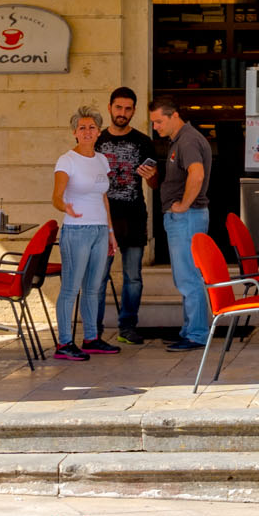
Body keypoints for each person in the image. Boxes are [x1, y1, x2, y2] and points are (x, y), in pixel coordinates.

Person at [51, 105, 118, 361]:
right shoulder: (67, 160)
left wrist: (110, 231)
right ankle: (64, 343)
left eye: (92, 127)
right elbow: (56, 196)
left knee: (93, 288)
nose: (87, 131)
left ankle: (91, 338)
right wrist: (64, 207)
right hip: (76, 230)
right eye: (82, 128)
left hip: (100, 229)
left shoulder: (101, 160)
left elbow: (104, 197)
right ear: (75, 133)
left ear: (99, 131)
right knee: (71, 288)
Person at [149, 94, 214, 352]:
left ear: (174, 115)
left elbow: (196, 175)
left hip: (187, 217)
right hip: (186, 217)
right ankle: (189, 330)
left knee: (189, 277)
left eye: (158, 121)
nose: (155, 127)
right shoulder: (181, 140)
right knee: (186, 275)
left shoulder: (187, 140)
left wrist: (184, 205)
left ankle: (196, 333)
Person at [95, 85, 156, 345]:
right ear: (109, 108)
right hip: (102, 218)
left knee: (133, 277)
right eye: (118, 107)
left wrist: (152, 177)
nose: (122, 113)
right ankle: (94, 331)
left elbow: (154, 184)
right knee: (98, 277)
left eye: (128, 109)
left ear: (134, 111)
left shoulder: (144, 142)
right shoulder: (95, 140)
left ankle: (127, 327)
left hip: (134, 215)